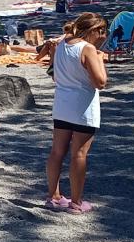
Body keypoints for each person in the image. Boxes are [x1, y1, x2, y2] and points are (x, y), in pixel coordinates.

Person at [46, 12, 109, 213]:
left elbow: (55, 76)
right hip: (82, 107)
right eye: (102, 32)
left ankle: (53, 196)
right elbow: (101, 82)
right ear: (95, 30)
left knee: (57, 152)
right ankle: (76, 202)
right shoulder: (88, 49)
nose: (103, 36)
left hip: (62, 105)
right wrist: (100, 59)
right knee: (79, 154)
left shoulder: (62, 44)